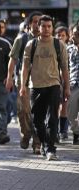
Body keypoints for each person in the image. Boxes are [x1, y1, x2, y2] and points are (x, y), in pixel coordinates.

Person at [20, 15, 70, 161]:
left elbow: (65, 68)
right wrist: (22, 86)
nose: (46, 29)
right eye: (43, 26)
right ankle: (44, 144)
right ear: (38, 27)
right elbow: (25, 67)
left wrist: (66, 87)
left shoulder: (59, 44)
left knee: (52, 119)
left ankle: (50, 149)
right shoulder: (31, 45)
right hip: (36, 86)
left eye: (49, 26)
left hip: (54, 85)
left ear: (52, 27)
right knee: (37, 121)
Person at [5, 11, 42, 154]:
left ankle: (37, 142)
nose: (37, 24)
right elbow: (13, 60)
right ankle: (25, 134)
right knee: (24, 111)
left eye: (40, 21)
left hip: (43, 81)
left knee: (39, 112)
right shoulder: (21, 39)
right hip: (24, 81)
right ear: (29, 24)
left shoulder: (49, 40)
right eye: (35, 21)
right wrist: (9, 78)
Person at [54, 26, 70, 141]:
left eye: (62, 35)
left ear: (67, 37)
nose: (60, 37)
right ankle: (55, 131)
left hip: (67, 80)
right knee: (55, 106)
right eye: (58, 35)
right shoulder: (54, 47)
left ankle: (63, 131)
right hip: (55, 80)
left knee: (65, 106)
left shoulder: (69, 49)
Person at [67, 22, 79, 145]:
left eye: (75, 34)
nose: (72, 36)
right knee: (71, 113)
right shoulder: (68, 49)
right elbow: (64, 68)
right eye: (73, 33)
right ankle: (76, 132)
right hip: (73, 84)